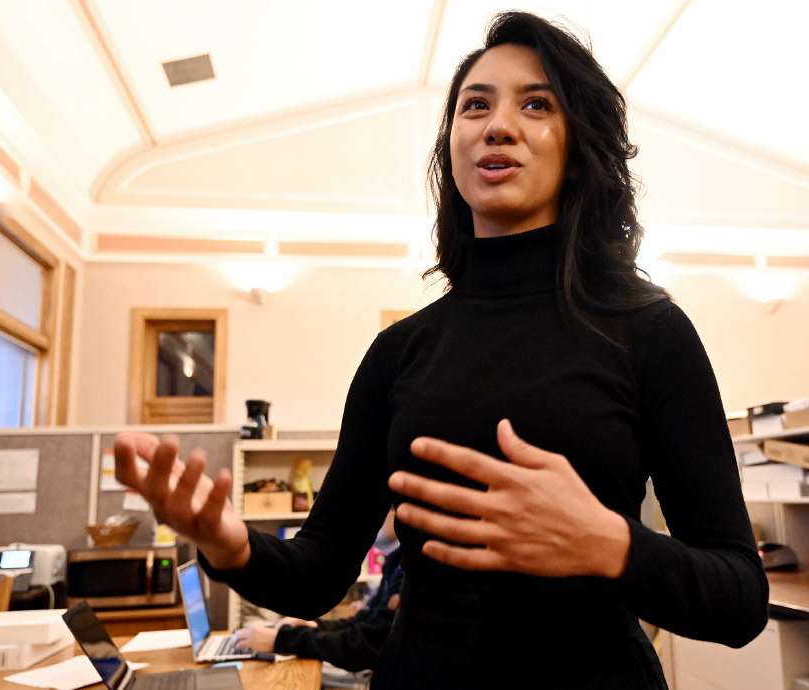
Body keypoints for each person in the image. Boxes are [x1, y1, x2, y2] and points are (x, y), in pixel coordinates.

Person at [114, 12, 768, 689]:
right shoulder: (398, 352)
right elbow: (317, 573)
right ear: (451, 147)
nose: (498, 124)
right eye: (474, 105)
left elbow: (741, 598)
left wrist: (613, 546)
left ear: (579, 150)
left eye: (536, 104)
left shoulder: (650, 331)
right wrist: (231, 544)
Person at [232, 511, 404, 674]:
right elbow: (366, 622)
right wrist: (316, 625)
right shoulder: (396, 562)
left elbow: (368, 645)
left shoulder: (408, 572)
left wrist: (280, 640)